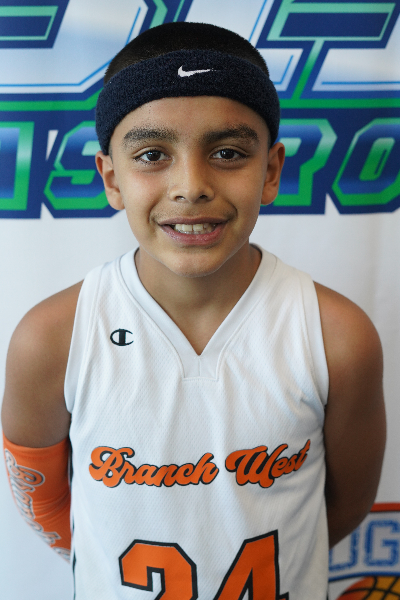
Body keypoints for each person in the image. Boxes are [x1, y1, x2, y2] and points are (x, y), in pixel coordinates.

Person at [2, 21, 385, 599]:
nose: (191, 186)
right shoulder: (52, 338)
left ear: (271, 172)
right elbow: (45, 501)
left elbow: (345, 508)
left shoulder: (338, 336)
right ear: (112, 178)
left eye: (227, 153)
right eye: (152, 155)